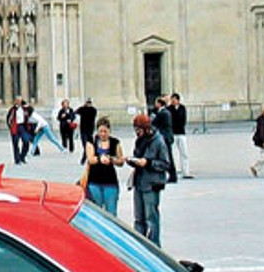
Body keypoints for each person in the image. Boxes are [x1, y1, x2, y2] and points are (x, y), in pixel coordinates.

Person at [125, 112, 172, 243]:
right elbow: (137, 156)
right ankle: (139, 245)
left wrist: (149, 163)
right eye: (135, 129)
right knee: (139, 218)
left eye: (138, 130)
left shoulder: (158, 141)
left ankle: (154, 245)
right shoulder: (140, 140)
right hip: (139, 182)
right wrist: (131, 161)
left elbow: (166, 164)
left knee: (151, 218)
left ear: (146, 128)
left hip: (151, 184)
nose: (137, 132)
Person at [82, 118, 122, 215]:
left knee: (111, 212)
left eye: (105, 131)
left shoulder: (115, 142)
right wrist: (100, 158)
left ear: (109, 131)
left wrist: (112, 159)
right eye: (101, 131)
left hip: (110, 181)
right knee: (96, 211)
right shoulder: (91, 142)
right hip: (94, 181)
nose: (103, 134)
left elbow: (120, 161)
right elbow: (91, 159)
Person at [168, 93, 191, 178]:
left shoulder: (182, 108)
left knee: (184, 153)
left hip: (181, 133)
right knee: (172, 153)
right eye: (172, 100)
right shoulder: (169, 109)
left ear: (178, 100)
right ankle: (174, 170)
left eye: (174, 100)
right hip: (173, 133)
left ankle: (186, 171)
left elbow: (183, 119)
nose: (173, 101)